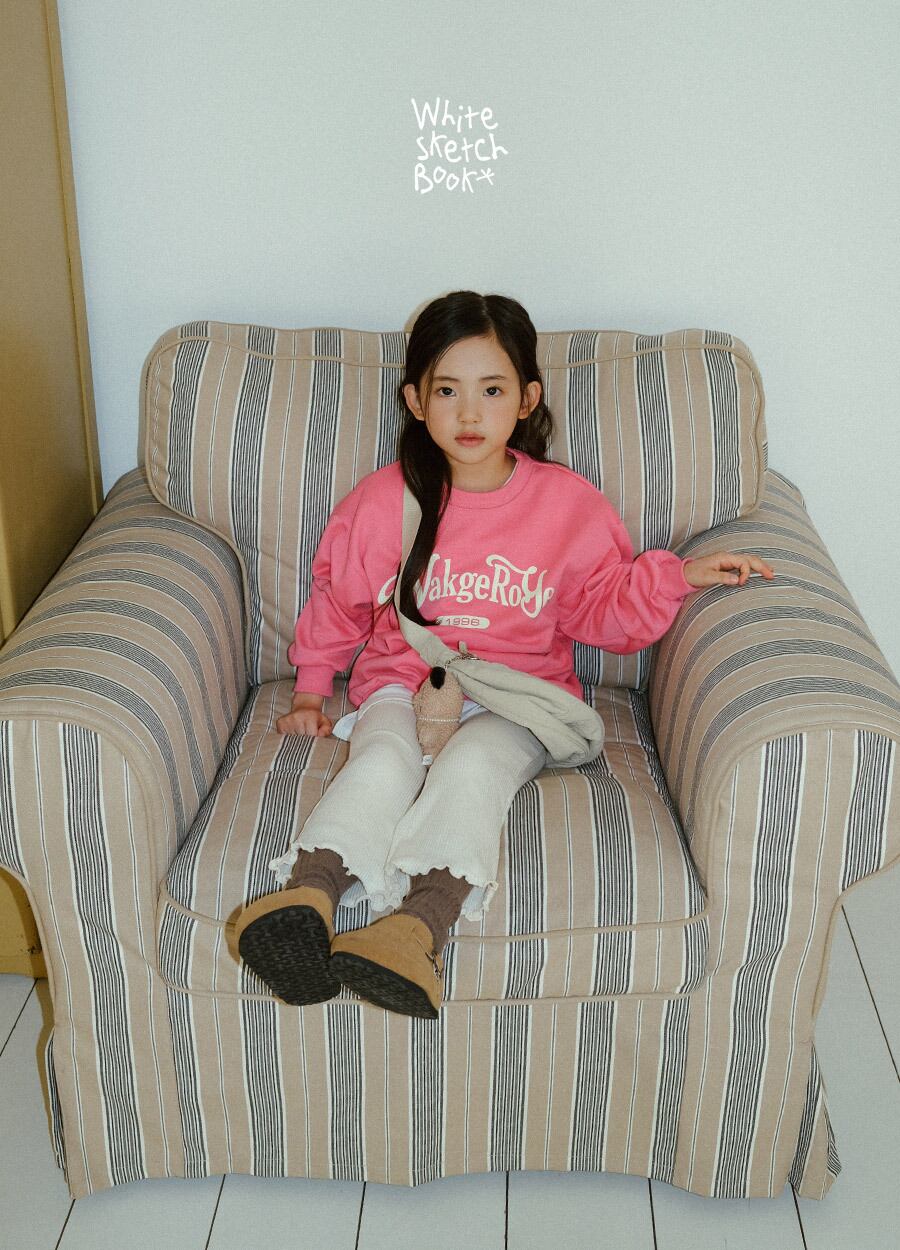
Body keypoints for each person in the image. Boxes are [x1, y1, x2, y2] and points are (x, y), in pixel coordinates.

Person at [233, 290, 776, 1020]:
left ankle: (414, 931)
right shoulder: (385, 500)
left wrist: (678, 576)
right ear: (415, 401)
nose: (468, 413)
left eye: (491, 390)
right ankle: (306, 898)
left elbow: (603, 608)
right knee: (382, 761)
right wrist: (310, 688)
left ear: (527, 400)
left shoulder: (568, 505)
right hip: (402, 684)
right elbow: (341, 598)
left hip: (517, 698)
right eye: (446, 391)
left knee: (473, 770)